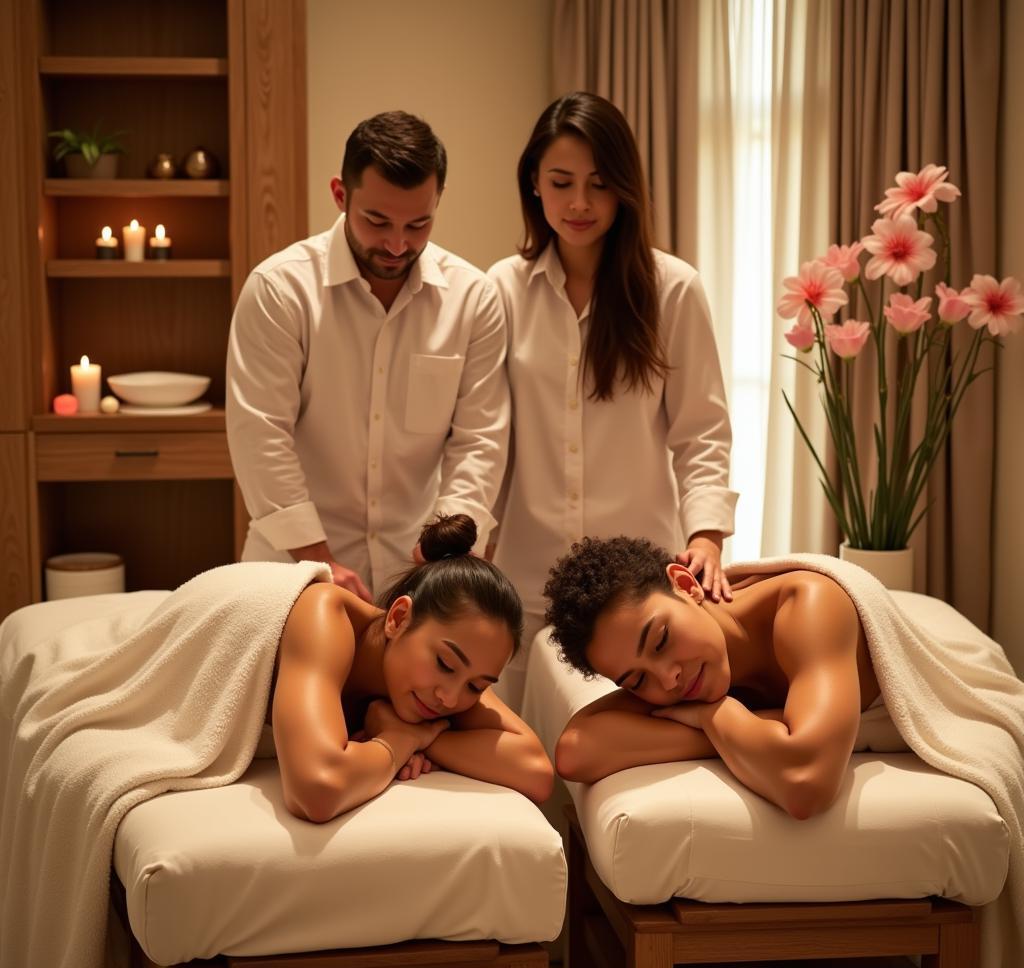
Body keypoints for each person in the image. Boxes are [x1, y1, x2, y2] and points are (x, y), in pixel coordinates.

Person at [486, 92, 738, 712]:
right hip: (527, 581)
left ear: (624, 188)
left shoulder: (672, 289)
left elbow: (701, 430)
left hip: (639, 598)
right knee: (529, 777)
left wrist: (707, 539)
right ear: (533, 186)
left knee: (624, 763)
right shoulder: (500, 290)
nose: (579, 204)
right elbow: (483, 438)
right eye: (561, 182)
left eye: (599, 185)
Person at [228, 111, 510, 603]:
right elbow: (261, 436)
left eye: (418, 224)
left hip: (419, 575)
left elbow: (480, 440)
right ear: (340, 195)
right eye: (377, 221)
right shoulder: (280, 289)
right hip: (289, 570)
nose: (398, 244)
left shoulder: (473, 298)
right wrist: (320, 561)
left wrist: (445, 546)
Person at [544, 535, 881, 820]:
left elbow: (806, 785)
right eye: (636, 681)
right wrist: (728, 729)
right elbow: (575, 751)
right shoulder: (682, 675)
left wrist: (719, 716)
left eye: (661, 640)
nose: (668, 679)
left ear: (687, 586)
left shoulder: (808, 603)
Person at [274, 513, 554, 822]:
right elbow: (317, 791)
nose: (449, 698)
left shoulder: (446, 681)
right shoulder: (324, 611)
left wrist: (425, 737)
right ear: (397, 618)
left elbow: (535, 771)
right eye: (445, 664)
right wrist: (398, 741)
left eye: (477, 686)